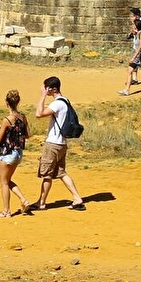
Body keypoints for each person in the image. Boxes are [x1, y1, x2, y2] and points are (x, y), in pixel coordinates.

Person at [34, 76, 87, 211]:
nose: (45, 90)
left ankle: (41, 203)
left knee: (47, 174)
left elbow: (39, 114)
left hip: (53, 144)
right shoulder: (65, 100)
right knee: (61, 173)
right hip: (62, 144)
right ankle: (77, 198)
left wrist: (42, 96)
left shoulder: (57, 103)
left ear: (53, 89)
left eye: (46, 88)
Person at [0, 89, 32, 217]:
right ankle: (23, 200)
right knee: (8, 180)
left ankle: (6, 211)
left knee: (3, 182)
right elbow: (27, 135)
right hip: (18, 153)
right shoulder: (23, 117)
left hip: (7, 153)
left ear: (7, 103)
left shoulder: (7, 120)